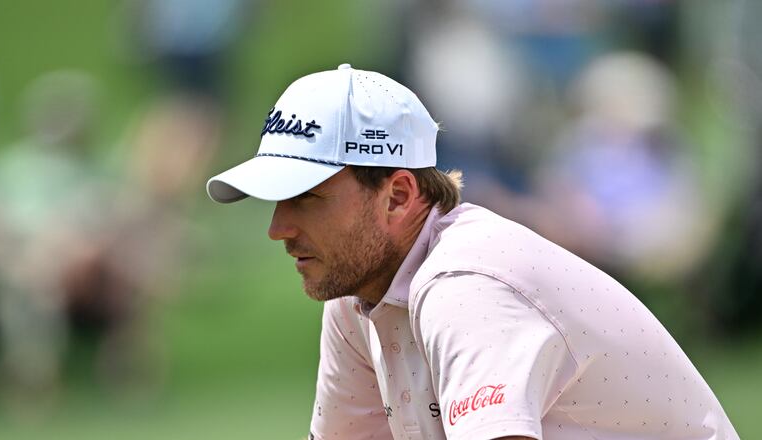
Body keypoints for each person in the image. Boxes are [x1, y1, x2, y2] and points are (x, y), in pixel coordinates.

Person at [206, 64, 738, 440]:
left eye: (307, 200)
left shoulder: (466, 286)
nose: (278, 229)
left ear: (397, 197)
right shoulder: (355, 295)